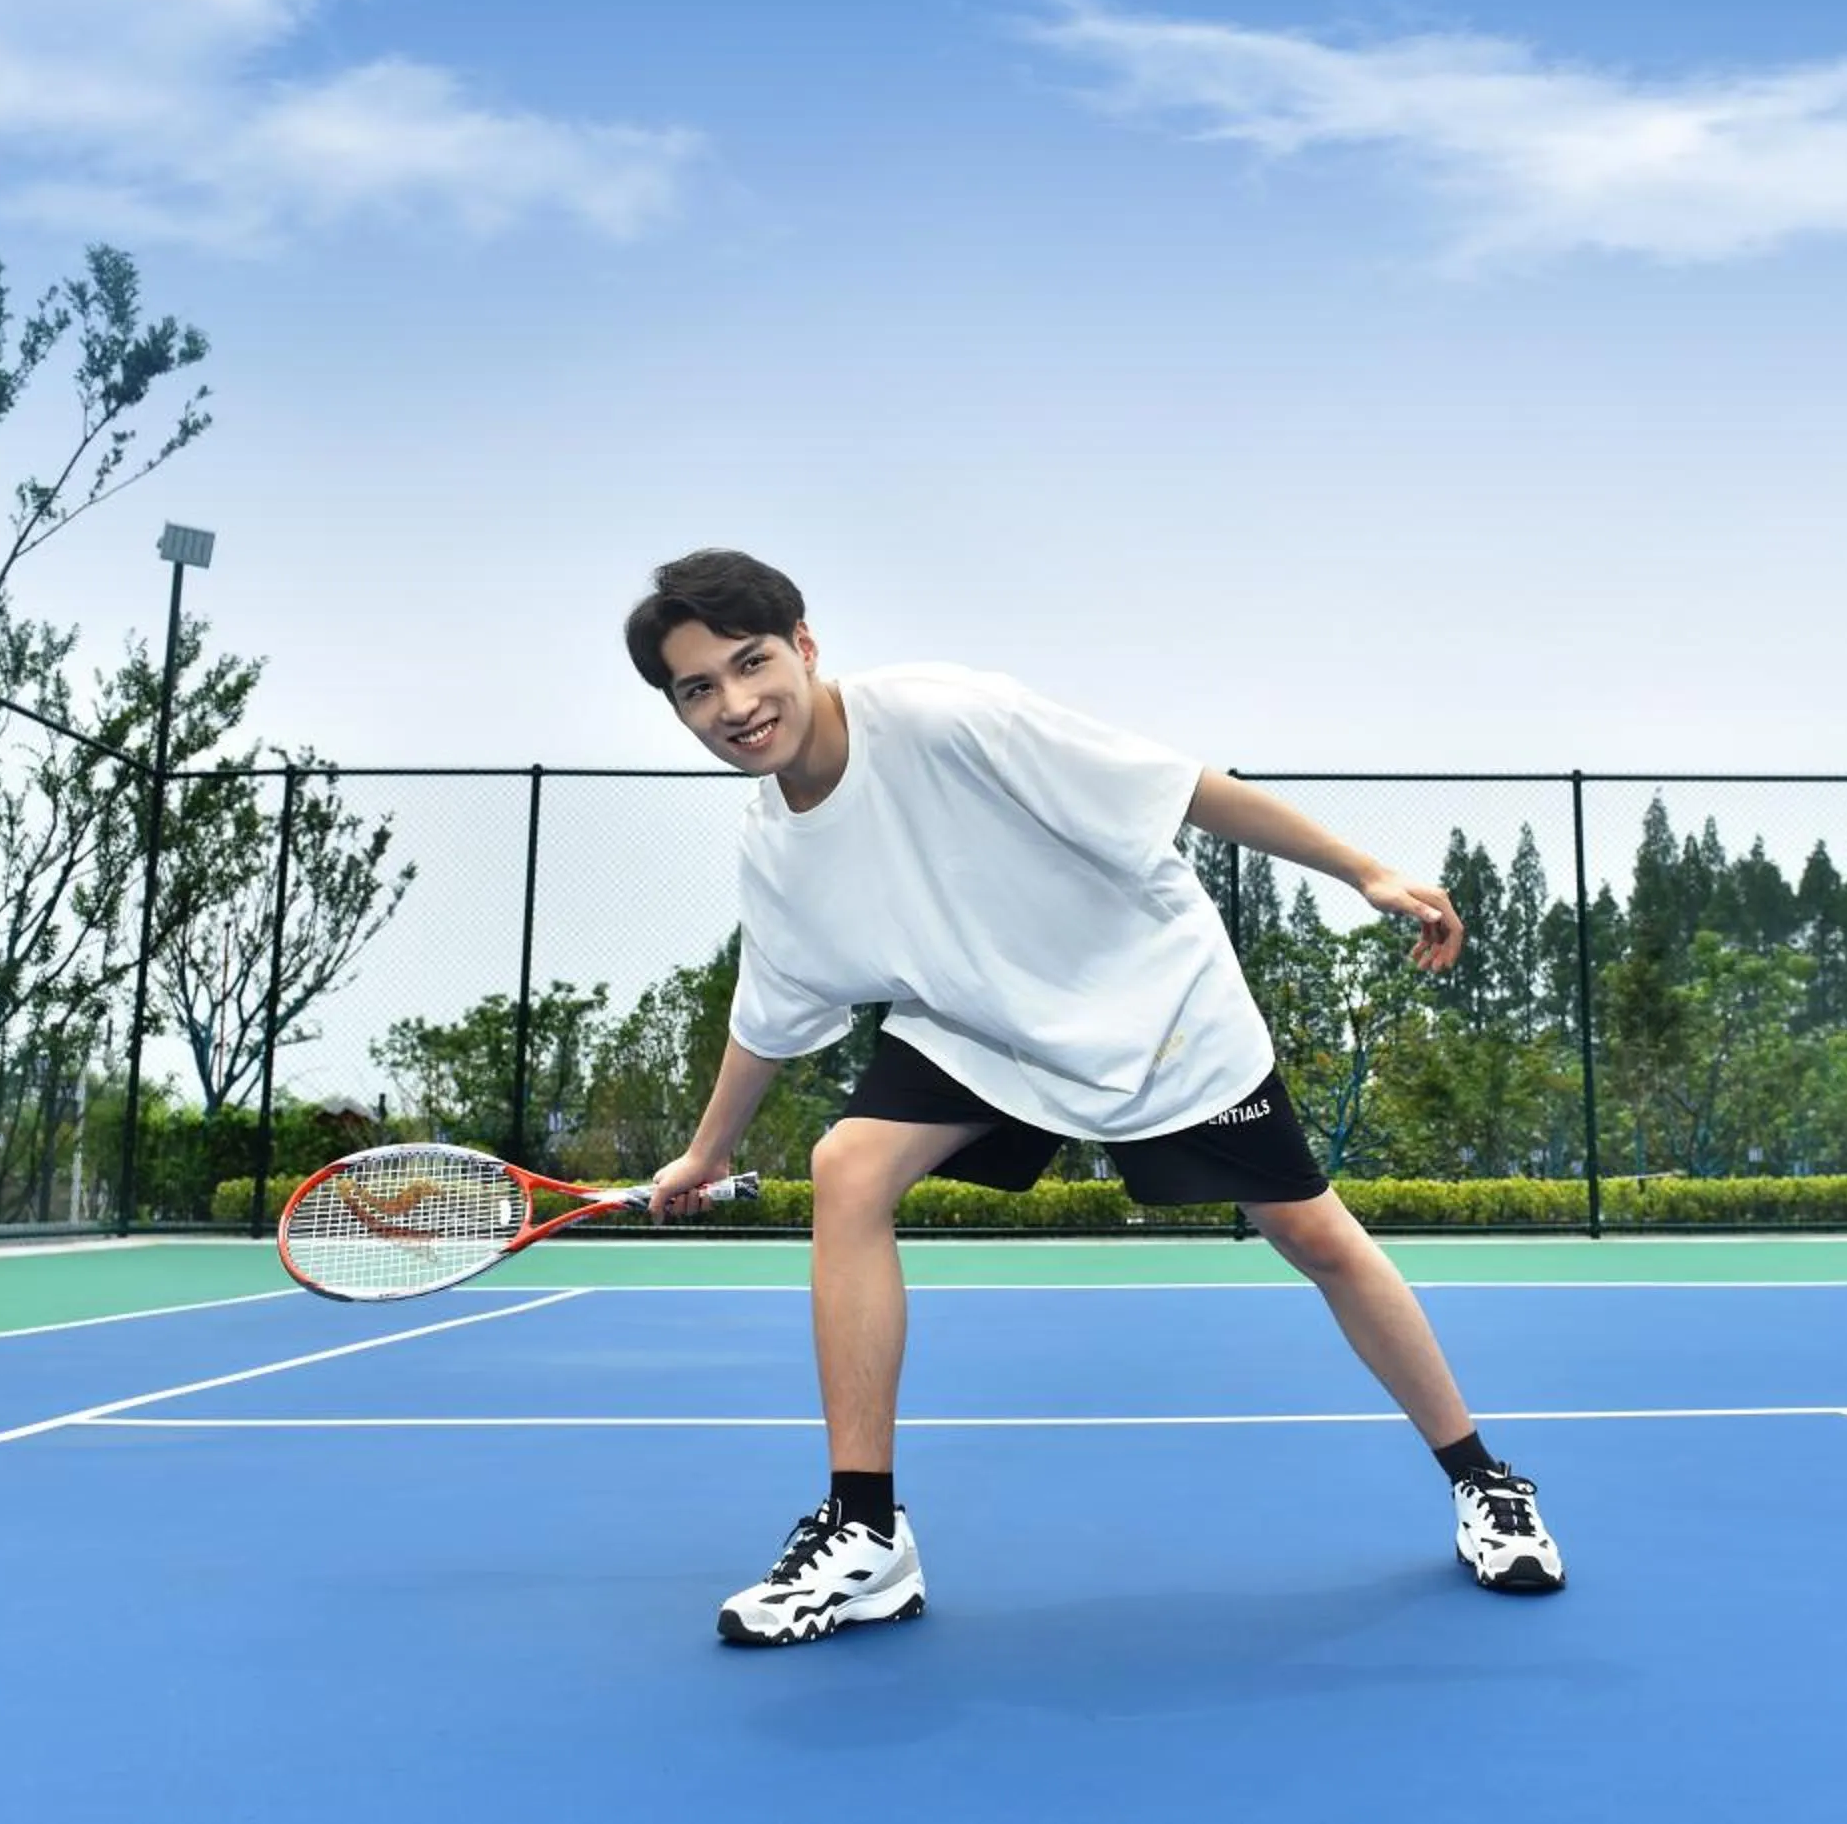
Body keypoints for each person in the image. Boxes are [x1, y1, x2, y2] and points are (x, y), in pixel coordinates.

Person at [629, 549, 1565, 1647]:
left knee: (1315, 1237)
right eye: (699, 688)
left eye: (752, 663)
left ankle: (1482, 1478)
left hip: (1153, 1012)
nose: (736, 703)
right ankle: (867, 1533)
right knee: (849, 1168)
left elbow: (1175, 786)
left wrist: (1362, 872)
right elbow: (770, 1011)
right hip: (982, 1032)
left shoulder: (943, 715)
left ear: (806, 645)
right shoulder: (775, 846)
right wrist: (706, 1151)